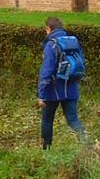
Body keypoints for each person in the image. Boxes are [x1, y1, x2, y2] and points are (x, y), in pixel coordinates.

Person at [37, 17, 87, 149]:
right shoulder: (73, 41)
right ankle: (87, 144)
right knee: (73, 120)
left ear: (48, 29)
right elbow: (82, 62)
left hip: (52, 90)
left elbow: (47, 70)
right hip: (71, 88)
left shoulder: (51, 45)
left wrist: (41, 94)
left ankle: (46, 149)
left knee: (47, 119)